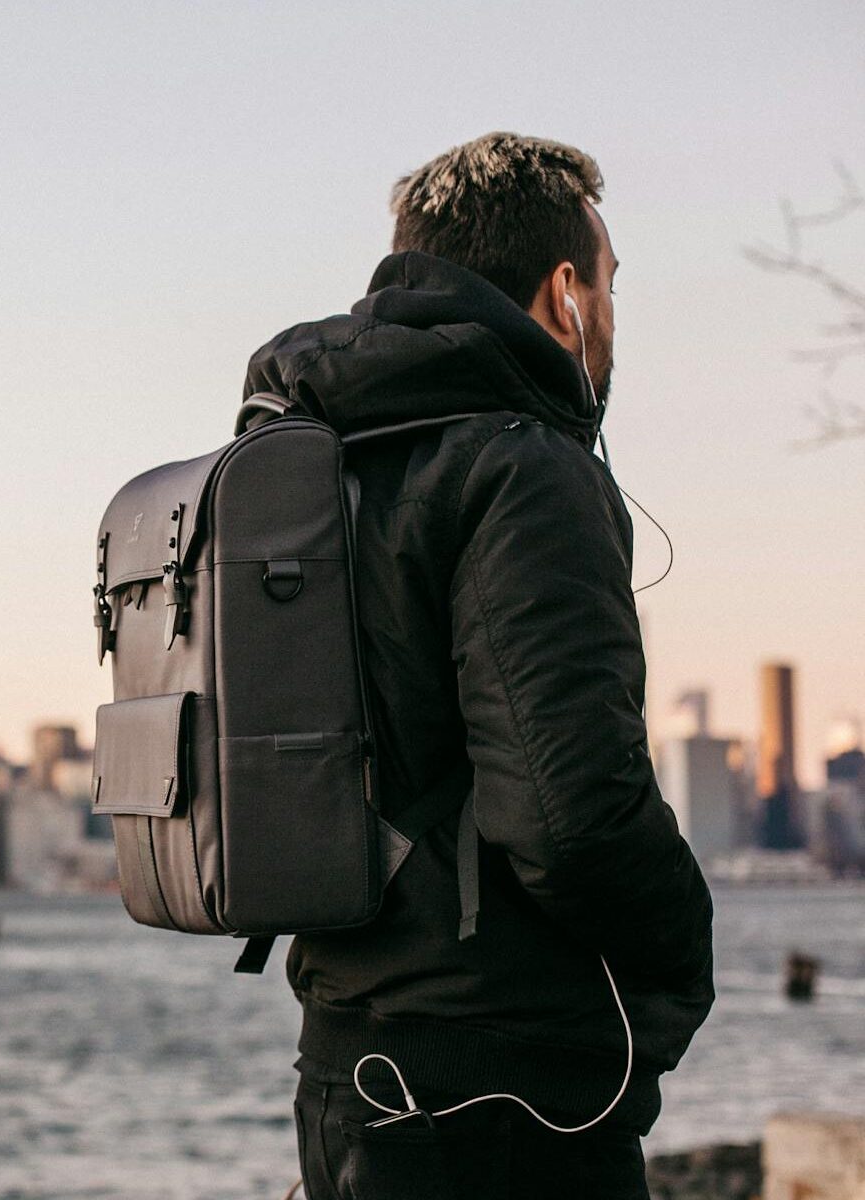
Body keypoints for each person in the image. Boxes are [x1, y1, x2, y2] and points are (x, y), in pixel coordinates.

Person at [244, 133, 716, 1199]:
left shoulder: (317, 460)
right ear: (564, 293)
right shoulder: (524, 468)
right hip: (504, 1095)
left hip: (341, 1059)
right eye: (607, 284)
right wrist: (682, 957)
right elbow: (567, 811)